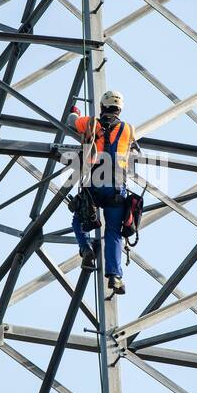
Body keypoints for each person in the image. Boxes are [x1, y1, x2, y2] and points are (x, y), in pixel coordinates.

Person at [69, 90, 134, 295]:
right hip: (116, 188)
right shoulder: (128, 129)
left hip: (95, 184)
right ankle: (115, 276)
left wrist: (75, 111)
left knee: (78, 218)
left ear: (102, 107)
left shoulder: (90, 123)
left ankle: (86, 249)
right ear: (120, 109)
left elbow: (72, 121)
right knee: (113, 232)